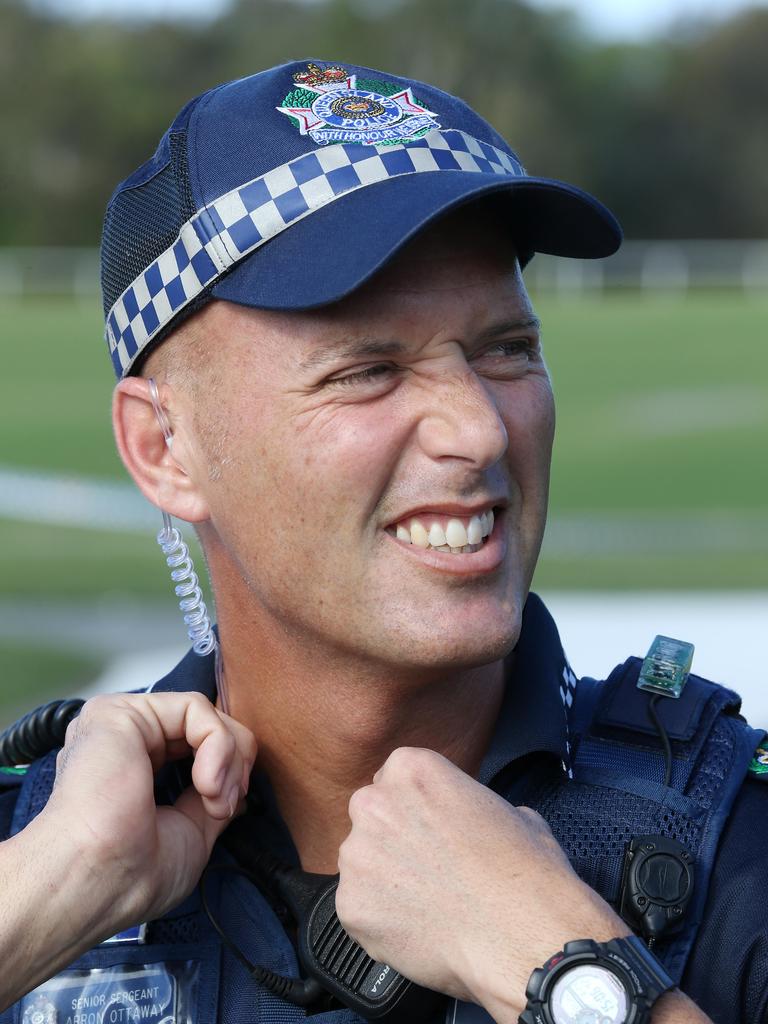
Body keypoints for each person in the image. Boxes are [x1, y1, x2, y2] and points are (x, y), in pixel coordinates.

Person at [0, 60, 765, 1024]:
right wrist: (42, 899)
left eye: (508, 350)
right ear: (165, 448)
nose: (481, 432)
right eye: (368, 369)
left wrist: (566, 969)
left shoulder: (736, 845)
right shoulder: (40, 846)